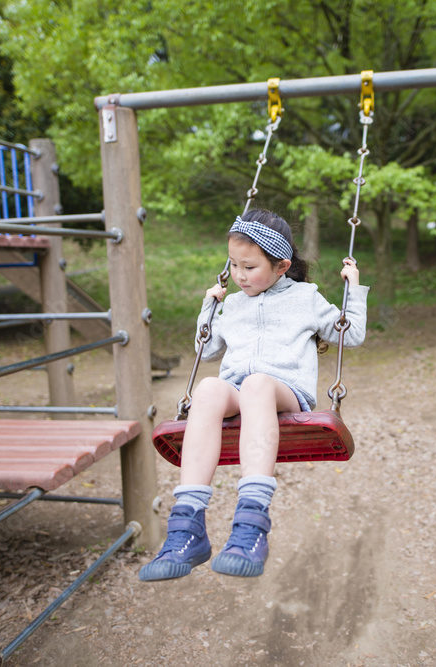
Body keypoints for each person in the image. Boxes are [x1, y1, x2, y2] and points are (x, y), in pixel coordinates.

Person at [139, 208, 369, 581]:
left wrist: (353, 289)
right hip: (236, 389)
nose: (239, 276)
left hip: (283, 390)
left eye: (249, 267)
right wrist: (209, 305)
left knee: (258, 383)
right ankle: (187, 529)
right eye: (233, 265)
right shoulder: (233, 303)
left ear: (281, 266)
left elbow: (350, 334)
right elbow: (207, 350)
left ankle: (251, 527)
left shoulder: (306, 297)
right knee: (209, 387)